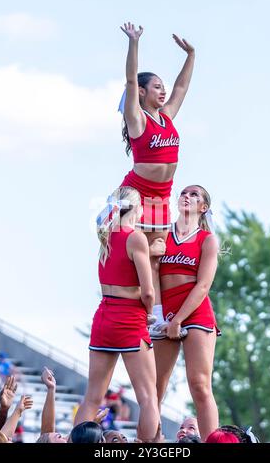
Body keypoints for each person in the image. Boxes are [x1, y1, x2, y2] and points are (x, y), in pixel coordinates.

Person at [117, 22, 195, 333]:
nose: (163, 91)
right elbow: (129, 81)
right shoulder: (137, 119)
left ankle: (158, 319)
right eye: (157, 87)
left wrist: (191, 55)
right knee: (136, 257)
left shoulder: (167, 116)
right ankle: (141, 313)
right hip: (135, 196)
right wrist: (134, 42)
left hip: (161, 197)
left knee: (156, 259)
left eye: (163, 87)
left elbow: (181, 88)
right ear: (143, 92)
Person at [74, 186, 160, 443]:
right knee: (148, 397)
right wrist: (149, 314)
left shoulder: (106, 234)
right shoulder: (136, 237)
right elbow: (147, 291)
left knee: (92, 397)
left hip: (104, 317)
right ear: (135, 207)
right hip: (130, 319)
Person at [154, 185, 220, 442]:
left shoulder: (207, 239)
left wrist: (179, 318)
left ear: (203, 207)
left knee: (200, 385)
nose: (186, 196)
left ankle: (212, 440)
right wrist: (161, 316)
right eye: (183, 193)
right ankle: (153, 441)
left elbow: (203, 285)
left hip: (195, 314)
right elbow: (153, 276)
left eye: (194, 194)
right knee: (154, 389)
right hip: (164, 315)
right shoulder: (161, 234)